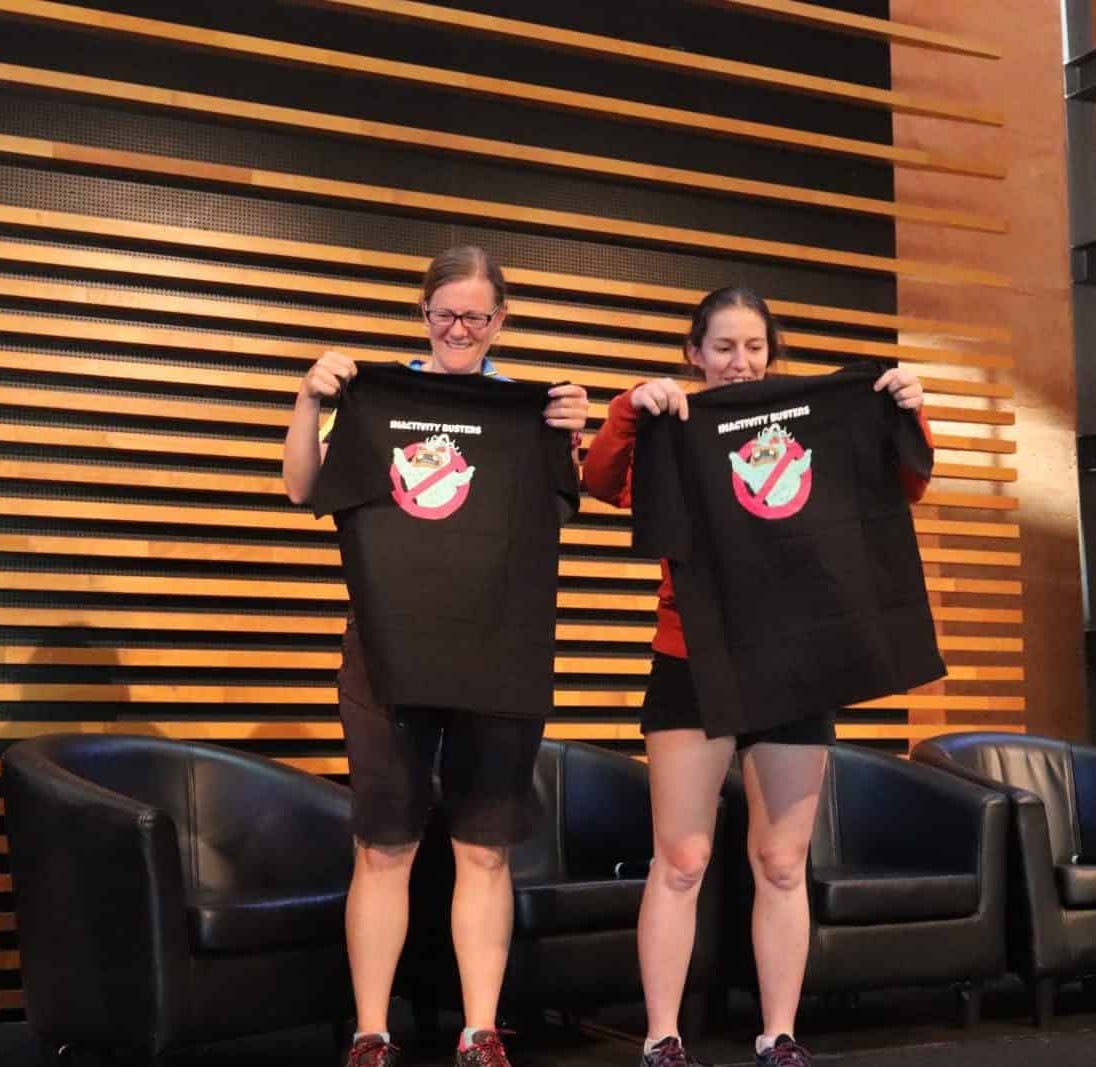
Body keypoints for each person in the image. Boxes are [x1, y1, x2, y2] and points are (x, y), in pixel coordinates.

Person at [581, 287, 929, 1067]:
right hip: (691, 658)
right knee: (681, 859)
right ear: (694, 354)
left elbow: (902, 483)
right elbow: (602, 479)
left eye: (754, 347)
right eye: (724, 347)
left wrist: (910, 410)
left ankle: (779, 1034)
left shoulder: (813, 423)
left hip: (795, 659)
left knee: (781, 860)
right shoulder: (676, 431)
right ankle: (661, 1038)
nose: (740, 362)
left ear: (772, 353)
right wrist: (630, 407)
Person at [283, 246, 588, 1067]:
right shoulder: (373, 398)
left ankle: (479, 1030)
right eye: (445, 313)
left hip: (498, 650)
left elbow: (566, 504)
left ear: (500, 320)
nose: (459, 328)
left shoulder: (531, 412)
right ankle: (371, 1033)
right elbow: (302, 488)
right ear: (423, 314)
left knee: (485, 847)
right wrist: (310, 400)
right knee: (384, 845)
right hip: (388, 650)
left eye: (476, 315)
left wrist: (572, 434)